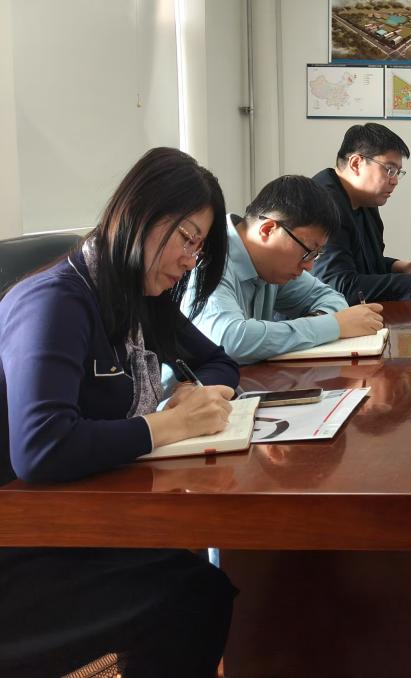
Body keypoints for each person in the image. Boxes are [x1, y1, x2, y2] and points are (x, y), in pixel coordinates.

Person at [0, 147, 239, 676]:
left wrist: (198, 394)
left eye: (199, 248)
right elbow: (41, 447)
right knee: (190, 596)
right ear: (141, 214)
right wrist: (165, 425)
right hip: (19, 539)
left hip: (77, 517)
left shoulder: (140, 300)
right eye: (187, 239)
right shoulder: (55, 301)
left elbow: (219, 360)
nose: (190, 261)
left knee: (195, 586)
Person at [184, 175, 383, 364]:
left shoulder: (271, 267)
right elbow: (229, 340)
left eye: (316, 255)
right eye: (308, 252)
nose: (309, 266)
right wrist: (333, 326)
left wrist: (320, 323)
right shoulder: (208, 259)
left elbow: (332, 299)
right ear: (268, 230)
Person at [312, 123, 411, 301]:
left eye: (397, 172)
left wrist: (400, 267)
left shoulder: (366, 199)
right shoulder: (321, 203)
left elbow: (364, 264)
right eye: (389, 170)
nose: (394, 181)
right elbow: (340, 286)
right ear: (356, 163)